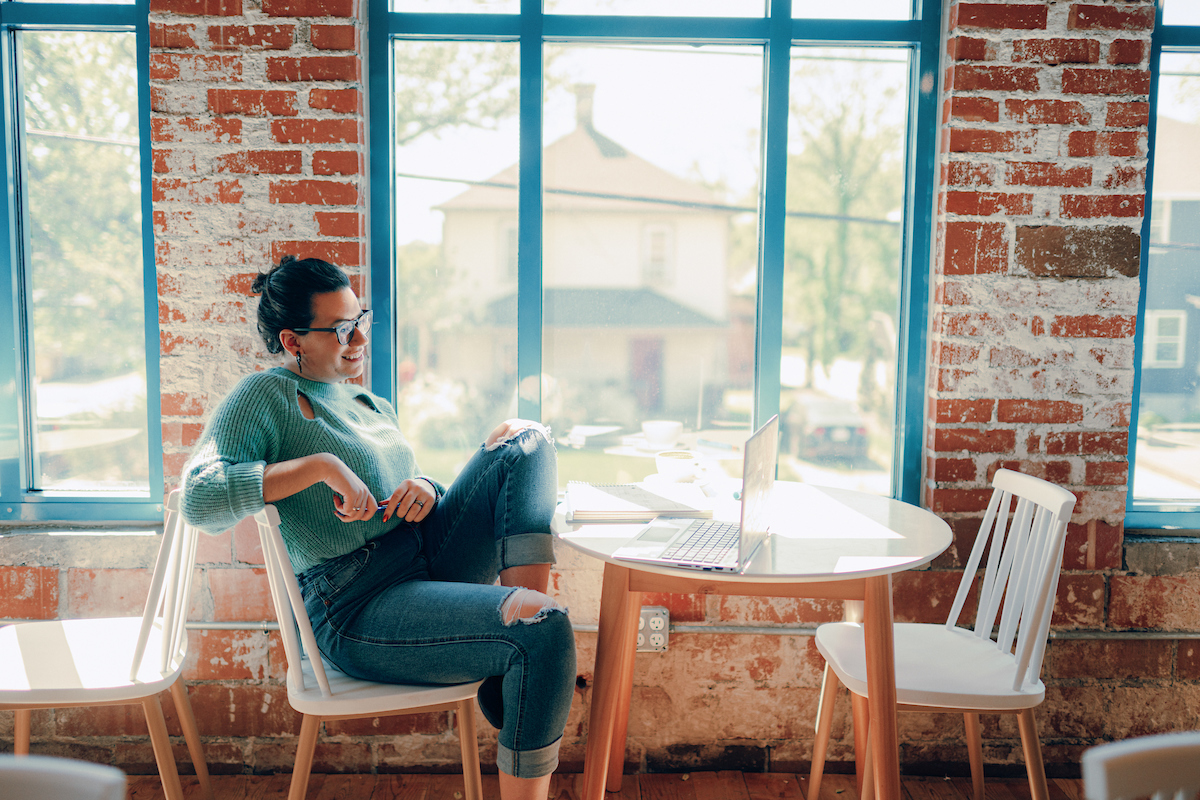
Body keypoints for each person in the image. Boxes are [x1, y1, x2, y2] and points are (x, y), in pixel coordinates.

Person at [181, 255, 575, 800]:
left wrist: (426, 489)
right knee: (544, 626)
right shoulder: (264, 398)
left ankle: (513, 663)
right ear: (293, 341)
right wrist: (319, 466)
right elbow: (199, 497)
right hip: (354, 603)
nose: (359, 336)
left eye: (359, 318)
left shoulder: (368, 402)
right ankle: (519, 654)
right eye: (341, 328)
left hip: (421, 556)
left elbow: (404, 484)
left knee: (524, 439)